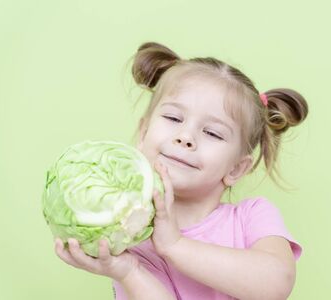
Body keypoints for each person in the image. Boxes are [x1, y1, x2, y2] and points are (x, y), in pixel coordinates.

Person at [54, 41, 309, 300]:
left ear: (236, 168)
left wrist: (175, 245)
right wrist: (129, 273)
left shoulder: (252, 216)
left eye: (212, 133)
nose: (185, 137)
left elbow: (276, 283)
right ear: (143, 134)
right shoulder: (131, 237)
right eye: (174, 118)